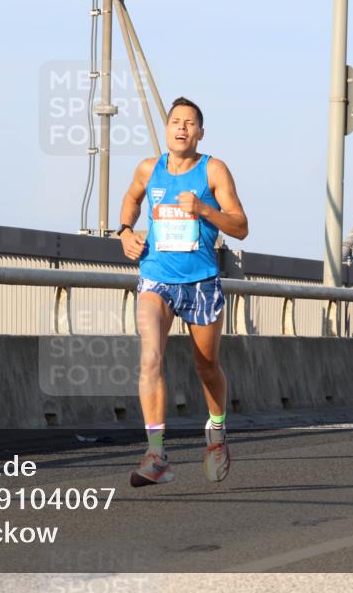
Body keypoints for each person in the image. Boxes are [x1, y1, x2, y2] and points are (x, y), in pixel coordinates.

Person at [117, 97, 248, 486]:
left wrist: (204, 210)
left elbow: (240, 226)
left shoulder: (214, 171)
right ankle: (156, 454)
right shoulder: (149, 168)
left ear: (200, 132)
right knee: (151, 356)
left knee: (206, 365)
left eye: (190, 123)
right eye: (176, 121)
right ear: (167, 127)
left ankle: (217, 433)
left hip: (201, 282)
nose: (181, 128)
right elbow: (131, 198)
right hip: (156, 278)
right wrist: (124, 232)